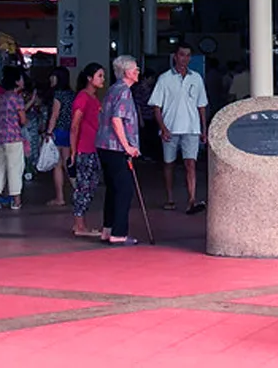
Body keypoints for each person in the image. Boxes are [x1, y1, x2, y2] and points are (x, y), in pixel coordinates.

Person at [149, 42, 209, 214]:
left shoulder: (196, 78)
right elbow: (156, 107)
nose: (185, 58)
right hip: (171, 128)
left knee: (191, 163)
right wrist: (163, 128)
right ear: (175, 56)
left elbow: (201, 106)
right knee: (169, 163)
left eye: (188, 55)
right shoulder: (165, 78)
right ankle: (170, 198)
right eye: (182, 54)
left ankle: (192, 199)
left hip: (191, 128)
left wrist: (203, 130)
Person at [96, 55, 143, 245]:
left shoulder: (112, 89)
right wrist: (128, 147)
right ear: (126, 72)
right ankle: (119, 233)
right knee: (124, 190)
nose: (138, 72)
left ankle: (107, 229)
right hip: (116, 148)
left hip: (104, 145)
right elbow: (117, 119)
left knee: (113, 189)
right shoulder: (124, 91)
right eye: (135, 69)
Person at [69, 63, 106, 237]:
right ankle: (79, 224)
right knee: (83, 186)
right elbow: (75, 126)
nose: (103, 79)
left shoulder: (94, 98)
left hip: (93, 147)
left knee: (90, 186)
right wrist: (73, 151)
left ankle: (81, 223)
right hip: (85, 148)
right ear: (90, 78)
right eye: (99, 76)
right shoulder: (83, 98)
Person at [0, 67, 27, 212]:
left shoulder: (1, 98)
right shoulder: (17, 98)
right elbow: (23, 120)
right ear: (17, 82)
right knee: (15, 169)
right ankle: (16, 202)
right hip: (14, 138)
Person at [43, 67, 75, 208]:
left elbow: (54, 116)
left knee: (57, 166)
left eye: (53, 77)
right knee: (68, 164)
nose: (51, 79)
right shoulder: (72, 94)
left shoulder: (58, 95)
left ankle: (60, 198)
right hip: (70, 132)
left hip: (58, 132)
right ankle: (79, 192)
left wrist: (49, 132)